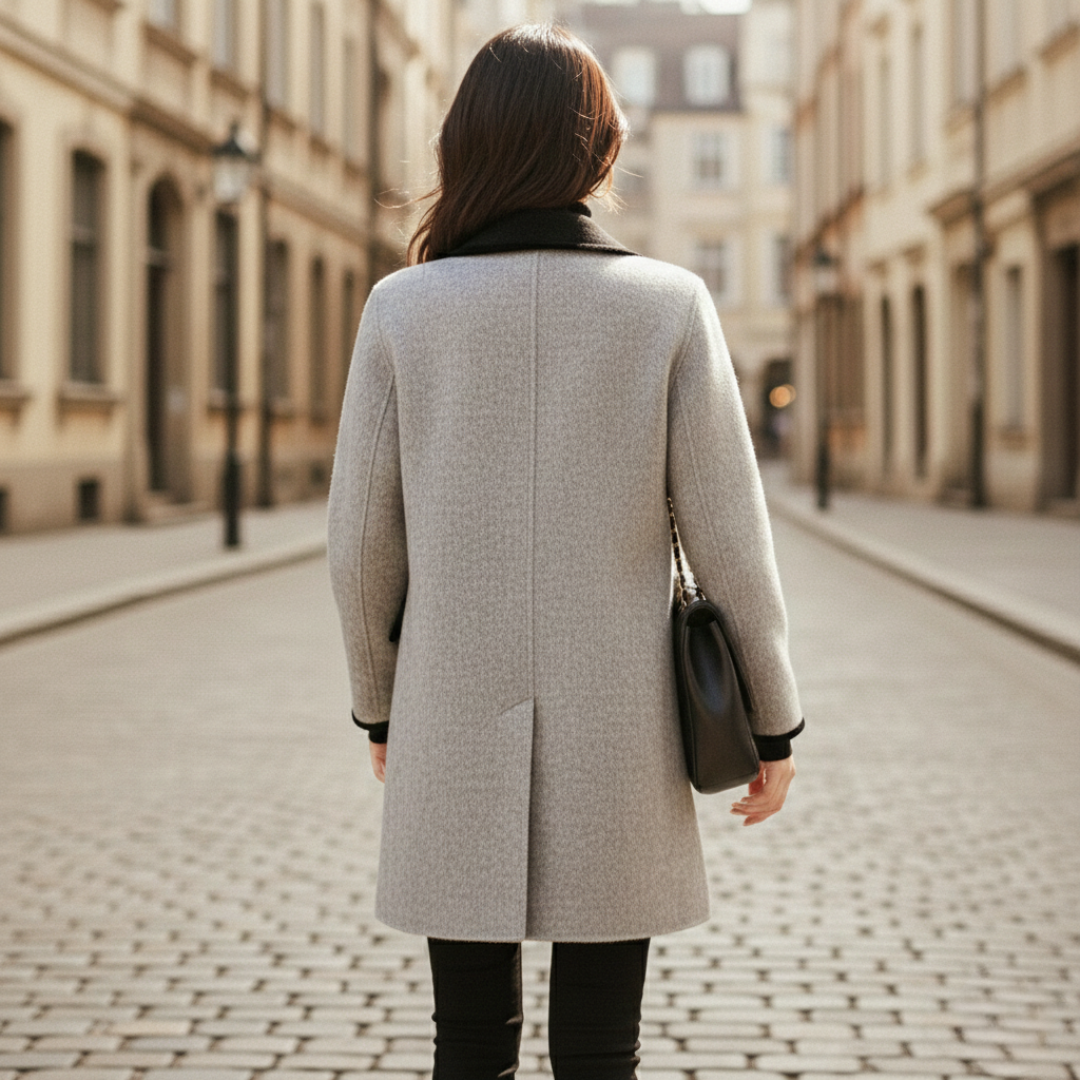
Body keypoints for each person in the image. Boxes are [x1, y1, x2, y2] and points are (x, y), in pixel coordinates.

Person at [327, 23, 804, 1080]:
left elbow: (359, 543)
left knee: (469, 1041)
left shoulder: (401, 310)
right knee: (603, 1045)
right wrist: (773, 716)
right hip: (619, 720)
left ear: (466, 145)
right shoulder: (669, 306)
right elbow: (731, 539)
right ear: (598, 152)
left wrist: (379, 701)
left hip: (451, 704)